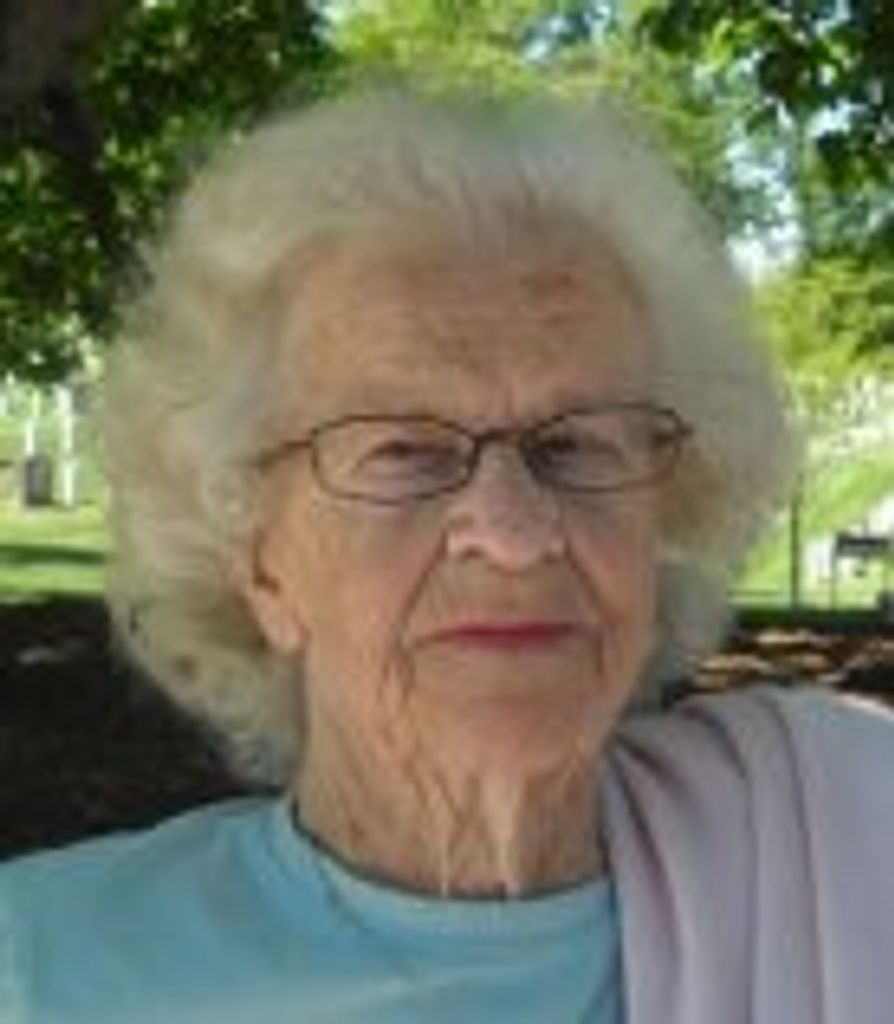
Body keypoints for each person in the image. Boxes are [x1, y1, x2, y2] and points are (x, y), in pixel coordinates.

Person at [1, 86, 892, 1024]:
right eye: (404, 453)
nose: (513, 534)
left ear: (664, 518)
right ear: (258, 559)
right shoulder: (41, 973)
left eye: (574, 446)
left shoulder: (848, 840)